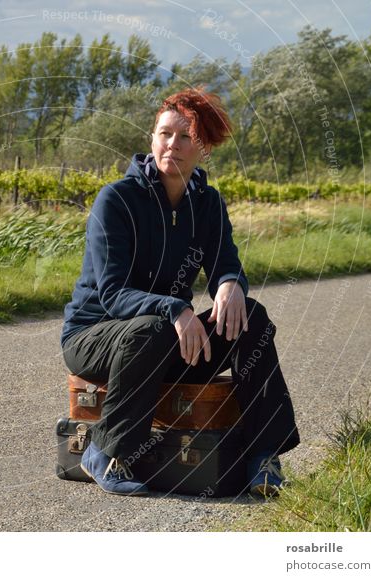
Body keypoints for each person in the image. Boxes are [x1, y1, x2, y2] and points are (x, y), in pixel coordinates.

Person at [60, 87, 300, 498]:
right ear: (152, 138)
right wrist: (174, 308)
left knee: (251, 318)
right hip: (96, 337)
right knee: (150, 328)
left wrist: (229, 285)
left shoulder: (206, 204)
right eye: (164, 133)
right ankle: (105, 452)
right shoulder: (116, 200)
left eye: (185, 136)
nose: (172, 144)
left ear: (203, 148)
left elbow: (226, 261)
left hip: (167, 342)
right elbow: (114, 293)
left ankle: (264, 457)